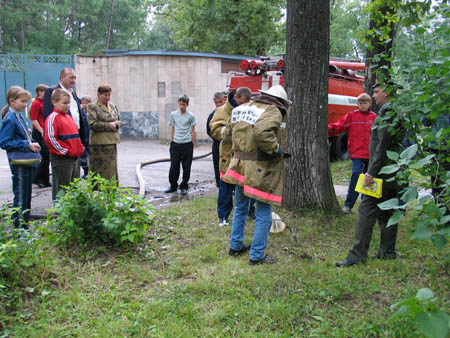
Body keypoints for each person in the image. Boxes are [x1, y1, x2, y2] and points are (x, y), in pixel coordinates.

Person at [336, 82, 405, 267]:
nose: (373, 96)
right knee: (387, 211)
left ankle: (357, 256)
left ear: (387, 93)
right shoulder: (398, 110)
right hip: (392, 172)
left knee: (366, 210)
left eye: (376, 92)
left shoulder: (387, 112)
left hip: (381, 172)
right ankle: (387, 251)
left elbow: (382, 144)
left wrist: (371, 172)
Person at [222, 85, 291, 265]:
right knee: (264, 212)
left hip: (238, 166)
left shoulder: (241, 108)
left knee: (241, 208)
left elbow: (227, 134)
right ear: (281, 102)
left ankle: (235, 245)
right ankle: (257, 255)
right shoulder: (272, 110)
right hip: (260, 168)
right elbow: (262, 133)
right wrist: (276, 150)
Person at [328, 93, 377, 213]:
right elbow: (338, 126)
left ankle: (365, 205)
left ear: (369, 104)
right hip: (357, 153)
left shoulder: (375, 117)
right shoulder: (352, 116)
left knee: (369, 180)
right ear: (357, 104)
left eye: (365, 103)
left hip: (371, 154)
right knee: (356, 175)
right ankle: (348, 205)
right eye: (361, 103)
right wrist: (325, 128)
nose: (363, 105)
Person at [210, 87, 251, 227]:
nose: (242, 105)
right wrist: (227, 132)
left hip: (245, 156)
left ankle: (249, 211)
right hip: (228, 155)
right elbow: (214, 129)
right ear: (236, 97)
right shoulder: (222, 110)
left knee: (246, 185)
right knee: (226, 187)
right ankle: (223, 216)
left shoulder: (249, 109)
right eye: (240, 102)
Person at [0, 86, 40, 227]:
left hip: (25, 162)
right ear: (12, 101)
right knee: (21, 196)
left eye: (26, 102)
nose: (25, 105)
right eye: (22, 102)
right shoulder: (10, 118)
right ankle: (19, 228)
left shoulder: (18, 115)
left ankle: (24, 225)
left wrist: (27, 134)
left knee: (26, 194)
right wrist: (26, 144)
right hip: (19, 163)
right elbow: (4, 141)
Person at [43, 67, 87, 179]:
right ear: (62, 77)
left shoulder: (72, 93)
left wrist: (80, 145)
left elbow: (78, 115)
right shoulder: (52, 92)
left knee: (74, 182)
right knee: (63, 186)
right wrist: (65, 150)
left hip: (75, 144)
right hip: (64, 147)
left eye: (75, 78)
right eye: (71, 77)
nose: (74, 80)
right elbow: (49, 120)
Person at [45, 89, 84, 200]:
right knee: (62, 189)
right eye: (64, 103)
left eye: (68, 103)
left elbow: (76, 136)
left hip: (74, 157)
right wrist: (66, 151)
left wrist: (79, 149)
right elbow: (50, 139)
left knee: (73, 187)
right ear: (54, 102)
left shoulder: (68, 117)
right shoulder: (53, 117)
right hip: (62, 159)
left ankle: (71, 212)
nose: (67, 106)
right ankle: (59, 213)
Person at [87, 84, 122, 181]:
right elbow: (92, 124)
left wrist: (117, 124)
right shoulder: (93, 107)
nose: (107, 97)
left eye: (109, 95)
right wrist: (109, 125)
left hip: (112, 141)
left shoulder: (113, 106)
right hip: (99, 143)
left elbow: (119, 121)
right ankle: (99, 190)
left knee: (112, 168)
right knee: (100, 169)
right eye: (105, 95)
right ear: (99, 94)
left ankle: (111, 189)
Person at [165, 94, 197, 196]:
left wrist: (192, 143)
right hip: (176, 144)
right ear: (178, 104)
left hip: (187, 144)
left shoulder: (191, 116)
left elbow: (192, 131)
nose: (181, 106)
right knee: (174, 166)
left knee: (186, 166)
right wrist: (172, 141)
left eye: (183, 104)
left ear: (187, 104)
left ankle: (184, 186)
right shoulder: (173, 115)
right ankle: (173, 185)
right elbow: (173, 129)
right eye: (180, 104)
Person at [30, 84, 51, 188]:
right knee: (45, 156)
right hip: (39, 132)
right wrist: (42, 131)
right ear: (39, 92)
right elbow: (33, 120)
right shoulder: (36, 103)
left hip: (44, 131)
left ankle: (44, 180)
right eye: (45, 92)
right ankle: (37, 178)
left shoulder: (44, 103)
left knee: (46, 157)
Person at [206, 92, 226, 188]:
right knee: (217, 166)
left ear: (224, 100)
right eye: (216, 102)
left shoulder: (230, 113)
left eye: (220, 102)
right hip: (217, 145)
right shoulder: (212, 115)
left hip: (229, 146)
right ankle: (219, 185)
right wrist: (218, 138)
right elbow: (208, 130)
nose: (219, 104)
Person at [79, 96, 92, 178]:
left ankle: (92, 172)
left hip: (91, 138)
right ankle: (86, 172)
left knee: (91, 156)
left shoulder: (92, 113)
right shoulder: (80, 113)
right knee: (83, 158)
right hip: (83, 138)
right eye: (83, 103)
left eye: (87, 103)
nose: (85, 105)